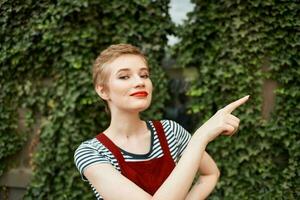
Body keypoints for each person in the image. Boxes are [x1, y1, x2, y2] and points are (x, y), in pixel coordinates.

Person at [74, 44, 249, 200]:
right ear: (103, 91)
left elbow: (210, 174)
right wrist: (199, 138)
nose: (139, 82)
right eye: (124, 77)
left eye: (144, 75)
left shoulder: (170, 131)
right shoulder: (91, 152)